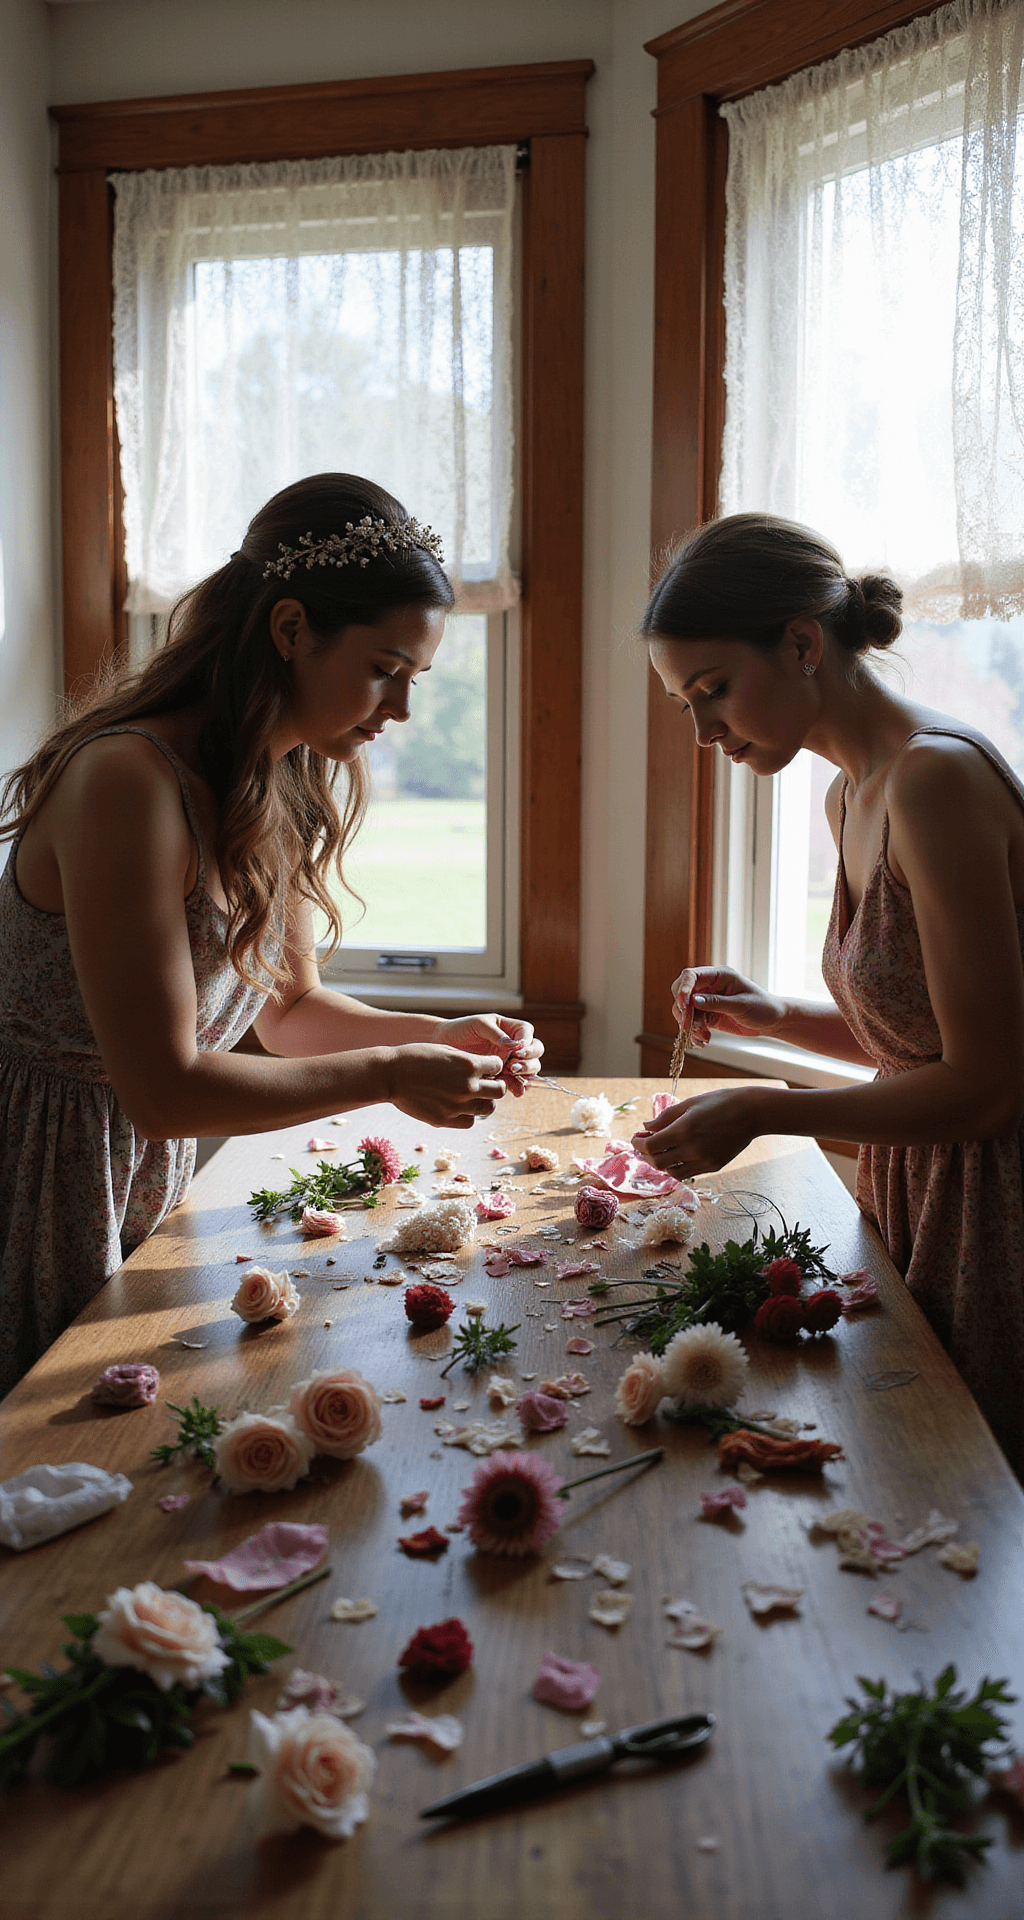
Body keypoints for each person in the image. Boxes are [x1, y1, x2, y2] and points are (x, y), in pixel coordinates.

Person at [0, 472, 541, 1398]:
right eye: (384, 668)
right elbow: (166, 1090)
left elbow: (287, 1010)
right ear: (290, 629)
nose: (401, 708)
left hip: (131, 1171)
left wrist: (428, 1040)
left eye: (413, 678)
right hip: (40, 1171)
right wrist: (386, 1076)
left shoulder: (277, 779)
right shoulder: (129, 780)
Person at [633, 511, 1024, 1472]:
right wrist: (779, 1014)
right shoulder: (850, 793)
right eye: (685, 702)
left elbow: (989, 1086)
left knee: (965, 1495)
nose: (701, 730)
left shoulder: (935, 778)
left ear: (804, 642)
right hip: (926, 1184)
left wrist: (771, 1107)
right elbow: (919, 1046)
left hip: (997, 1208)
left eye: (712, 690)